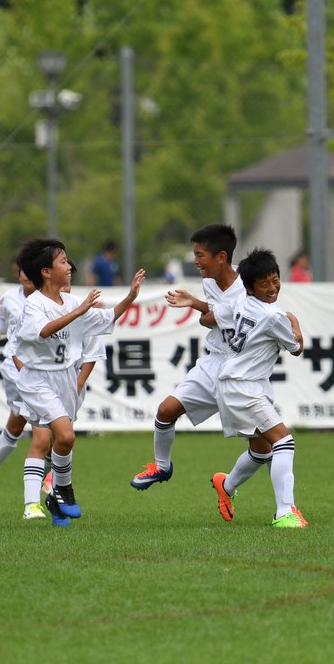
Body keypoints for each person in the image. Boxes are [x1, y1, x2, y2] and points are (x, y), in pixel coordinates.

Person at [13, 238, 144, 526]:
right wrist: (79, 311)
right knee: (65, 436)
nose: (69, 266)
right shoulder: (35, 304)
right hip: (38, 380)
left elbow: (107, 318)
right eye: (63, 261)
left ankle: (55, 500)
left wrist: (130, 297)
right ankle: (62, 490)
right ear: (46, 272)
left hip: (65, 379)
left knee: (63, 440)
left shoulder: (73, 302)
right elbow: (44, 331)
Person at [0, 256, 104, 521]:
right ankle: (33, 504)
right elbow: (11, 336)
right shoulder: (19, 301)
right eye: (21, 270)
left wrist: (75, 384)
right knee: (45, 438)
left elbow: (92, 352)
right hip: (22, 373)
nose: (24, 276)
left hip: (58, 380)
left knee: (33, 431)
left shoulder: (67, 302)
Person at [129, 224, 240, 491]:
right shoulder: (209, 282)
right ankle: (162, 466)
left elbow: (216, 317)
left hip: (240, 368)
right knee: (166, 410)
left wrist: (201, 308)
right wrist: (195, 303)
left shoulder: (246, 288)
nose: (195, 260)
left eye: (200, 254)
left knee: (265, 442)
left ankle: (234, 488)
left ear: (221, 257)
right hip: (213, 361)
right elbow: (212, 316)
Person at [204, 248, 307, 528]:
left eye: (275, 280)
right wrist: (294, 320)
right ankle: (284, 512)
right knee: (284, 441)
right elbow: (297, 348)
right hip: (243, 386)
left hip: (234, 383)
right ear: (249, 288)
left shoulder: (241, 302)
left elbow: (210, 318)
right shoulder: (274, 318)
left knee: (262, 450)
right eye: (264, 284)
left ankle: (226, 485)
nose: (272, 287)